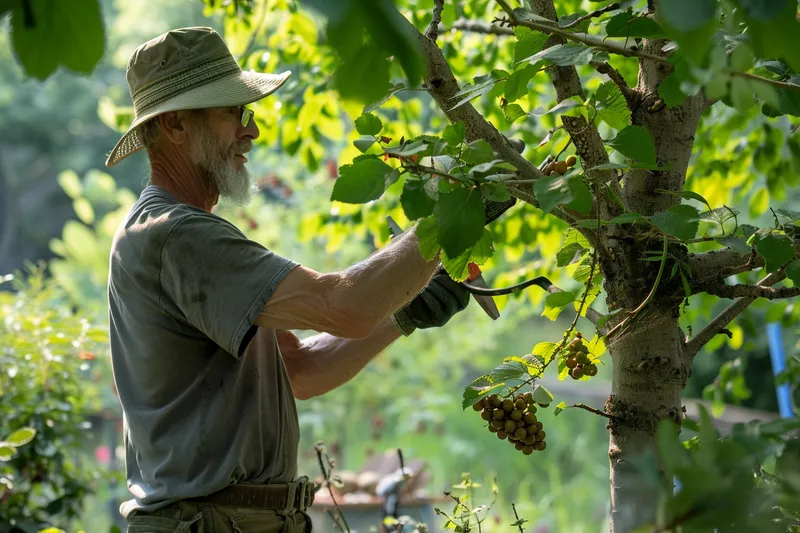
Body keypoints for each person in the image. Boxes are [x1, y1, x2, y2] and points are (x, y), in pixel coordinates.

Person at [104, 27, 510, 533]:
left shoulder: (183, 234)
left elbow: (299, 369)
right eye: (233, 111)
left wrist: (405, 314)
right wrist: (455, 213)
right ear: (177, 126)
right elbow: (343, 306)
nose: (250, 130)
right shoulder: (177, 236)